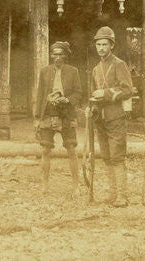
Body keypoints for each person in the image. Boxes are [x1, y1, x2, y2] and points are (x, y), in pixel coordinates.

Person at [87, 25, 135, 207]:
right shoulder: (95, 69)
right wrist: (91, 108)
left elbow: (128, 90)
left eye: (104, 44)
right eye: (98, 44)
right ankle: (112, 194)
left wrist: (106, 94)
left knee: (117, 156)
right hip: (101, 119)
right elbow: (93, 94)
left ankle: (122, 196)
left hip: (115, 118)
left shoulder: (119, 64)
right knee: (106, 157)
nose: (101, 48)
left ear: (111, 45)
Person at [33, 40, 83, 197]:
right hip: (48, 113)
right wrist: (37, 118)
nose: (57, 57)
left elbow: (78, 93)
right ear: (51, 56)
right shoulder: (45, 72)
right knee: (46, 149)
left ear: (66, 56)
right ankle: (45, 185)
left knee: (71, 149)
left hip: (66, 113)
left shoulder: (73, 71)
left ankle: (76, 185)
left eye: (61, 54)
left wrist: (67, 100)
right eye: (54, 54)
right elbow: (40, 94)